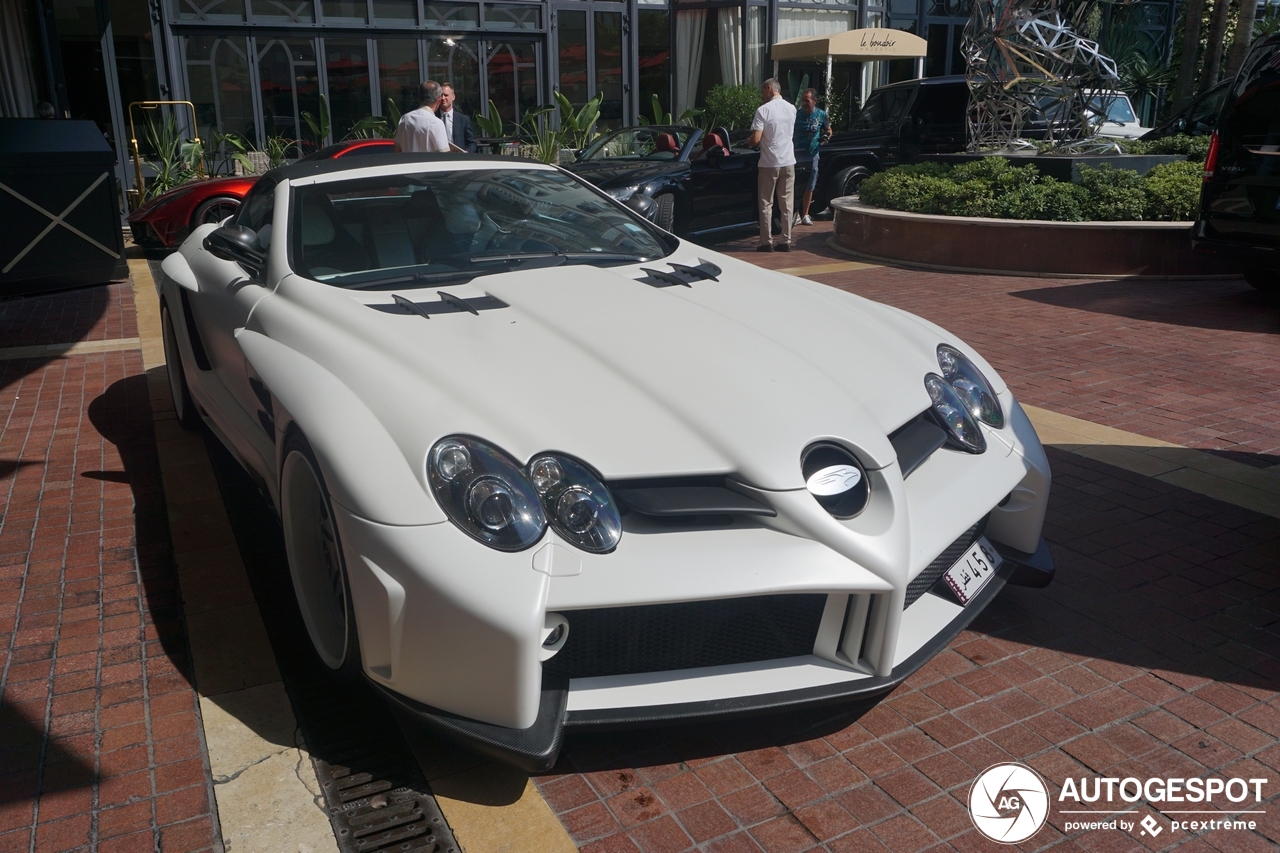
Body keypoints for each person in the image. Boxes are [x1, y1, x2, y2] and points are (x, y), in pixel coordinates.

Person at [747, 78, 797, 252]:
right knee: (786, 203)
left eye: (763, 91)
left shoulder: (763, 110)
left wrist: (747, 141)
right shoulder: (792, 109)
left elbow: (755, 139)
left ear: (769, 89)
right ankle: (786, 240)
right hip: (789, 161)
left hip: (770, 162)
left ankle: (766, 242)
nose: (762, 95)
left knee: (766, 203)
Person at [793, 88, 831, 226]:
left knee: (810, 184)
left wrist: (826, 136)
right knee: (795, 184)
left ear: (814, 101)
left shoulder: (821, 114)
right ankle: (795, 214)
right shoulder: (796, 114)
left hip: (812, 153)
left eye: (807, 101)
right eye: (803, 100)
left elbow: (828, 129)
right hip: (796, 153)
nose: (804, 103)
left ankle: (805, 214)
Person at [393, 80, 451, 153]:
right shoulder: (436, 123)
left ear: (419, 98)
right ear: (438, 101)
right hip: (428, 164)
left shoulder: (405, 119)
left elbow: (396, 151)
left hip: (407, 164)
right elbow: (444, 156)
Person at [438, 83, 477, 153]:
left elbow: (472, 143)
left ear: (453, 97)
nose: (443, 98)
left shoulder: (463, 120)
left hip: (458, 160)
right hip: (438, 159)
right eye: (441, 95)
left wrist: (466, 152)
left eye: (446, 95)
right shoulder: (433, 118)